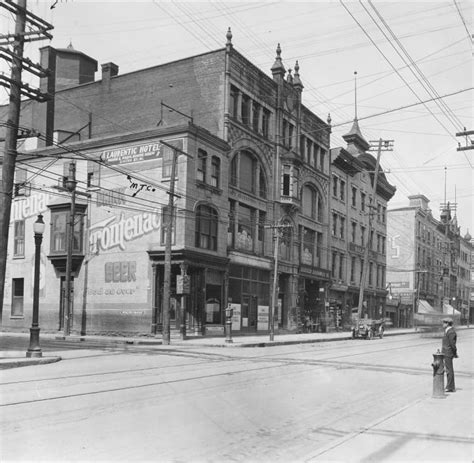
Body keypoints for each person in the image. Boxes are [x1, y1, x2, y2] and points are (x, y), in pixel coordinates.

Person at [441, 317, 458, 392]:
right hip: (445, 352)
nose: (442, 324)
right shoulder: (447, 331)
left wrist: (454, 353)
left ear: (447, 324)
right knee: (448, 369)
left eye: (443, 323)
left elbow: (452, 344)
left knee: (449, 370)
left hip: (448, 353)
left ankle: (450, 387)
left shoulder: (451, 332)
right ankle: (449, 386)